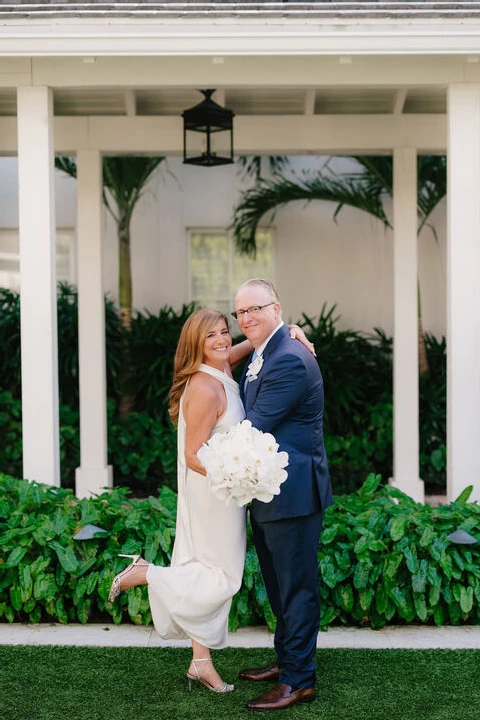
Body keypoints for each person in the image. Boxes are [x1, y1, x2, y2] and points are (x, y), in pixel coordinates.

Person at [107, 306, 315, 694]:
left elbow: (251, 344)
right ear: (195, 345)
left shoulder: (220, 365)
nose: (222, 341)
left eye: (224, 331)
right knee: (220, 577)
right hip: (214, 492)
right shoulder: (203, 386)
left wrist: (290, 331)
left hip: (224, 490)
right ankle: (144, 573)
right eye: (212, 336)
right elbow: (191, 454)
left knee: (202, 566)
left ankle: (200, 662)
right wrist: (236, 477)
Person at [233, 278, 333, 712]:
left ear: (277, 308)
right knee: (279, 586)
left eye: (254, 309)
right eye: (240, 313)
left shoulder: (289, 358)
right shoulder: (265, 350)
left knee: (296, 589)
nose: (246, 319)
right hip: (269, 491)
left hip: (292, 493)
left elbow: (252, 424)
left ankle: (299, 681)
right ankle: (286, 660)